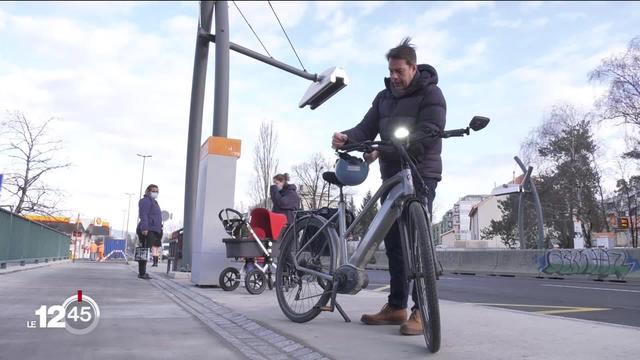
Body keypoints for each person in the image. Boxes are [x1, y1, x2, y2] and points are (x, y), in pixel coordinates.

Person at [331, 37, 446, 336]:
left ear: (413, 68)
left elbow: (431, 131)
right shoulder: (383, 98)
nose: (394, 76)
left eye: (399, 71)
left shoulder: (431, 94)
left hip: (421, 175)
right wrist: (347, 137)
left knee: (418, 244)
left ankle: (422, 311)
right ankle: (396, 307)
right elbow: (366, 128)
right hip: (392, 177)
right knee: (394, 244)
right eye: (391, 71)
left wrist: (392, 145)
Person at [136, 184, 163, 279]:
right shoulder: (145, 201)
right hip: (147, 230)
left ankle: (143, 272)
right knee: (144, 251)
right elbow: (143, 215)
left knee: (146, 251)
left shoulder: (154, 202)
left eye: (157, 191)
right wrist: (144, 228)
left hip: (152, 230)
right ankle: (142, 273)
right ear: (148, 191)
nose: (155, 193)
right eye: (153, 190)